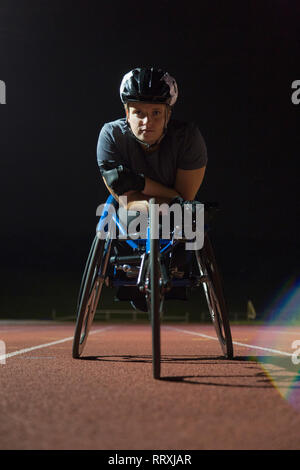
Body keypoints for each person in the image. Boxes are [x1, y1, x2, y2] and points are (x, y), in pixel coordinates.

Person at [96, 67, 208, 310]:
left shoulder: (188, 138)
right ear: (127, 113)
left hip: (173, 220)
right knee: (125, 213)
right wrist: (155, 197)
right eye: (139, 112)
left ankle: (175, 267)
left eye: (156, 113)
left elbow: (183, 198)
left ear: (168, 114)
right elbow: (127, 199)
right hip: (132, 217)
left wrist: (138, 183)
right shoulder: (111, 135)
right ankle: (130, 270)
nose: (148, 122)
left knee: (192, 215)